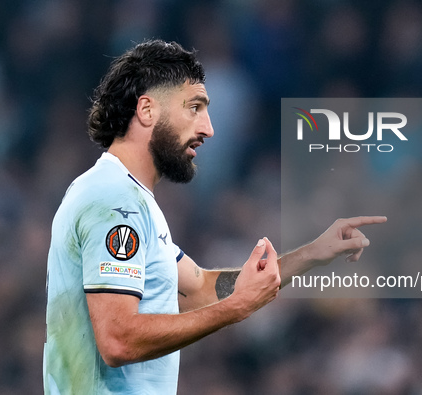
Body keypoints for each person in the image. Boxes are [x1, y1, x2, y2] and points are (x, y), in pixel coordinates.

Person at [43, 39, 387, 394]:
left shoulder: (130, 199)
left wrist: (311, 254)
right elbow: (117, 341)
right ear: (146, 110)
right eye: (194, 108)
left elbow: (199, 289)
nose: (208, 128)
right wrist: (234, 311)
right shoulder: (114, 201)